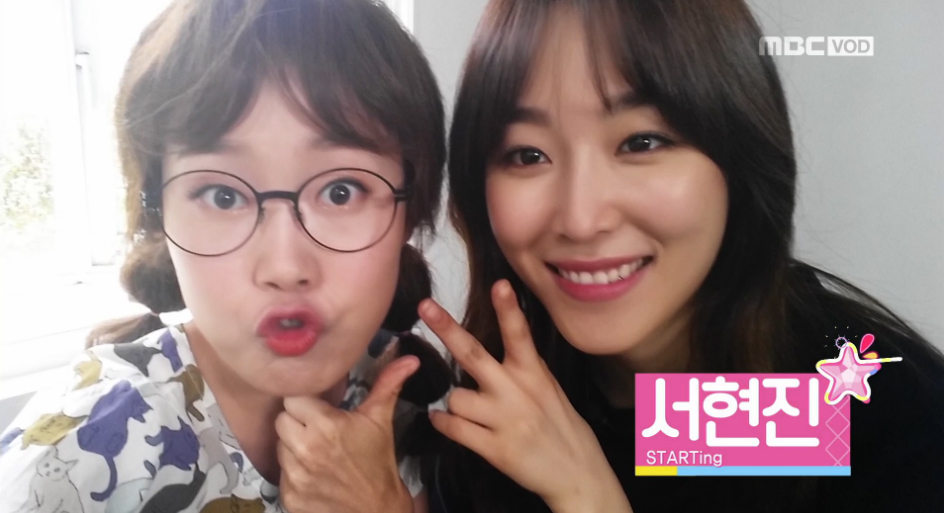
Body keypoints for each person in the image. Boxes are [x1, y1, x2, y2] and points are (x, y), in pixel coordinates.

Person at [418, 0, 944, 512]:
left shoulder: (880, 416)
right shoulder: (506, 408)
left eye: (641, 142)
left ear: (741, 154)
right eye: (528, 154)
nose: (580, 220)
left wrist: (585, 496)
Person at [0, 0, 450, 512]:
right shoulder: (70, 466)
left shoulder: (410, 396)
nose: (285, 267)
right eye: (223, 195)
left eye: (341, 192)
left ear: (413, 212)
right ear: (158, 217)